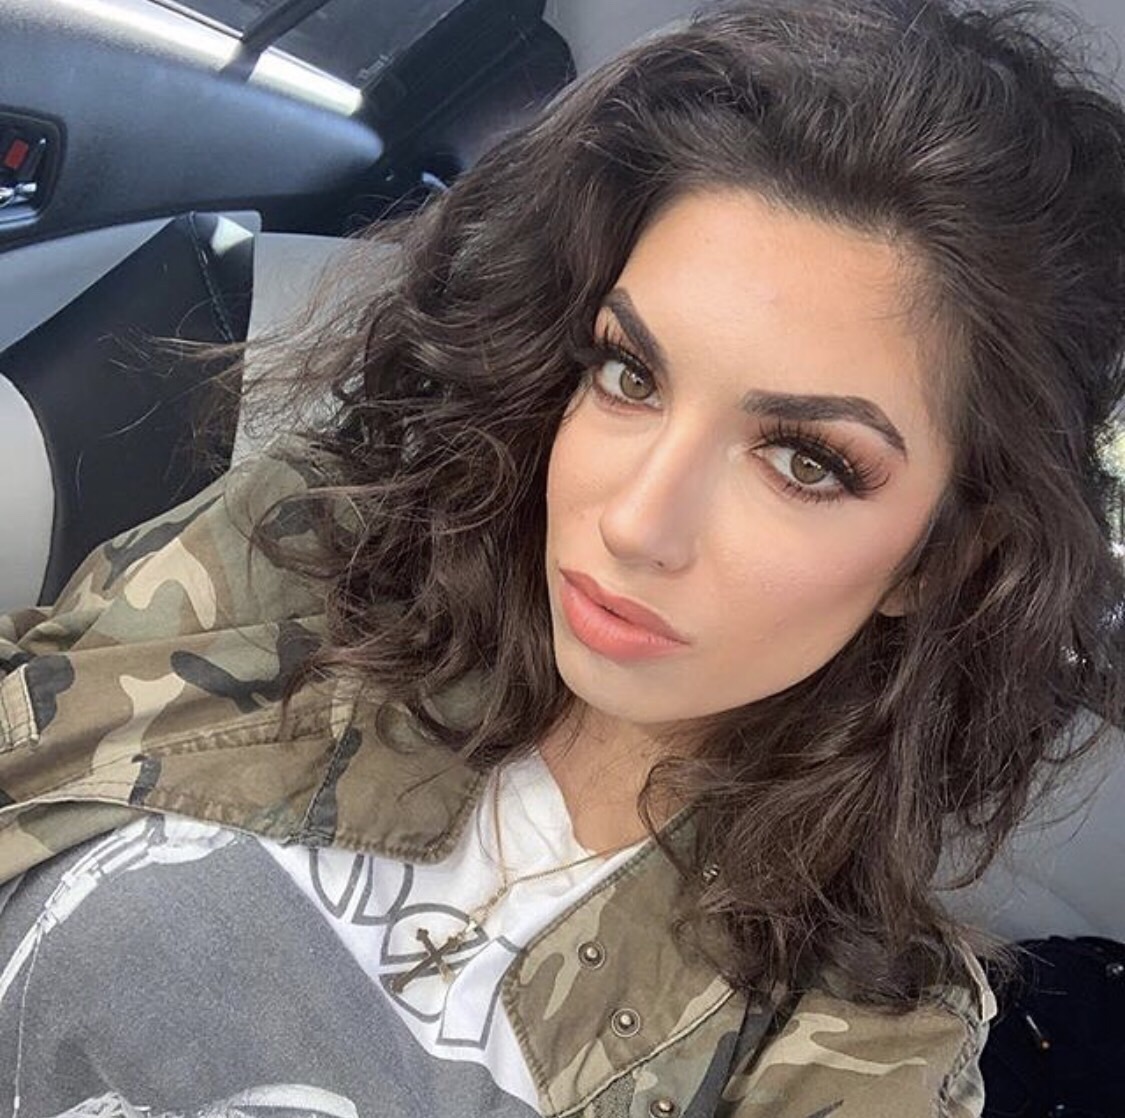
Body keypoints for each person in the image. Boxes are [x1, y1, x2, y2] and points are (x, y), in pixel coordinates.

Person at [1, 0, 1124, 1114]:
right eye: (630, 374)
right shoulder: (312, 547)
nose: (636, 522)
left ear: (941, 560)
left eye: (805, 462)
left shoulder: (862, 1038)